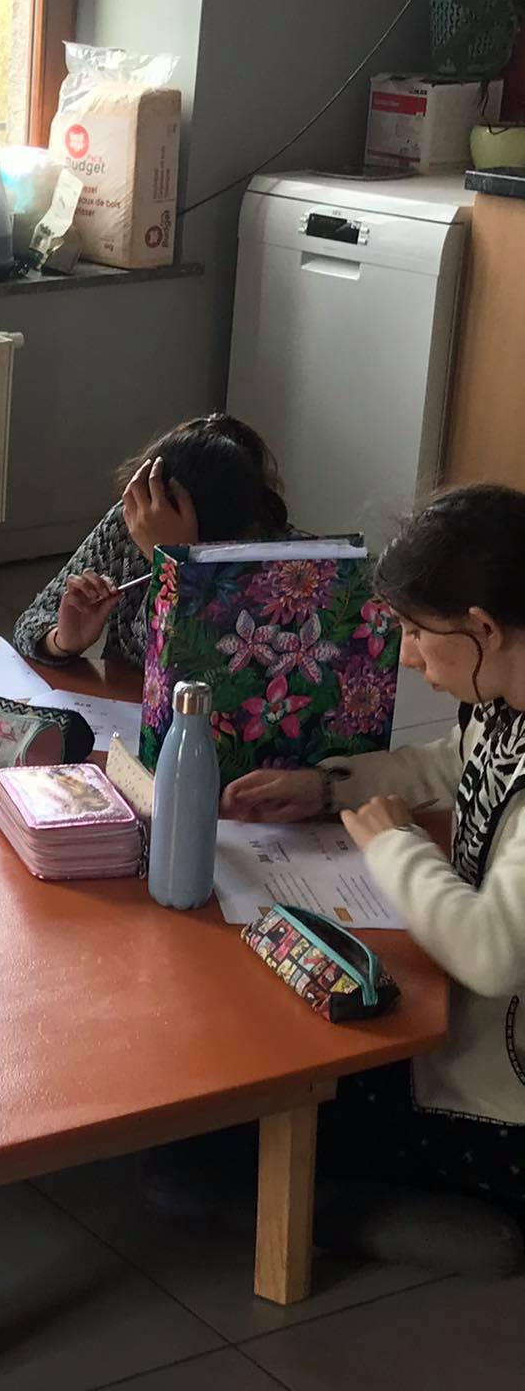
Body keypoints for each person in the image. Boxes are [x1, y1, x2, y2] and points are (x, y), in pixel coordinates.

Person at [218, 483, 525, 1271]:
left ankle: (466, 1225)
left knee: (225, 1143)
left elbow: (492, 954)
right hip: (463, 1026)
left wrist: (397, 847)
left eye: (419, 634)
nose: (410, 658)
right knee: (269, 1063)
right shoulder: (505, 695)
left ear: (484, 628)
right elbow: (455, 763)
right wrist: (331, 787)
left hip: (501, 1098)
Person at [14, 413, 293, 666]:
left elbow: (209, 672)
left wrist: (177, 566)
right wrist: (60, 641)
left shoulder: (283, 562)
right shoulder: (136, 520)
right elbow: (31, 622)